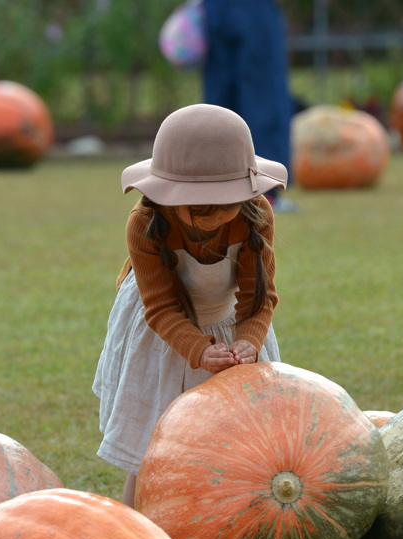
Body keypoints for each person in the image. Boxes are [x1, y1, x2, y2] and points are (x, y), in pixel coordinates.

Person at [92, 104, 286, 507]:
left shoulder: (256, 217)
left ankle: (223, 516)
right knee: (155, 434)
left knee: (235, 432)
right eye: (198, 206)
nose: (212, 217)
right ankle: (136, 525)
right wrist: (198, 350)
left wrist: (248, 340)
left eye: (224, 202)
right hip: (159, 328)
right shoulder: (145, 224)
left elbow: (258, 296)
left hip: (229, 318)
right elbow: (161, 308)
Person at [201, 0, 296, 212]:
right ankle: (264, 193)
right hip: (254, 9)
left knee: (220, 101)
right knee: (264, 97)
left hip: (216, 8)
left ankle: (215, 193)